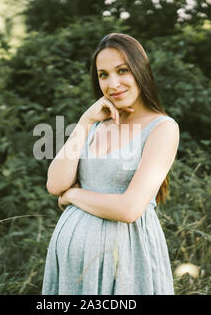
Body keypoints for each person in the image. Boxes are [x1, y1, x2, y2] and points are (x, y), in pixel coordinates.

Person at [42, 33, 180, 295]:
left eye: (122, 71)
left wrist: (73, 195)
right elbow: (55, 183)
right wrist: (84, 122)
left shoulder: (162, 128)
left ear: (141, 71)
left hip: (126, 261)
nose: (112, 83)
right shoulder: (95, 127)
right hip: (73, 271)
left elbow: (129, 209)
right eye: (103, 75)